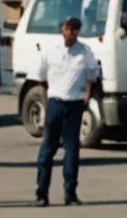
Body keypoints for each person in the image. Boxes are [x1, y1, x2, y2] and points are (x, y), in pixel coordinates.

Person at [31, 17, 101, 206]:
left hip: (74, 104)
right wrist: (53, 91)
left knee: (71, 150)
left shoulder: (84, 52)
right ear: (61, 30)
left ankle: (70, 193)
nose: (70, 33)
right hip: (55, 102)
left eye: (74, 30)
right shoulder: (51, 52)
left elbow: (93, 73)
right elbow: (40, 76)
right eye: (67, 29)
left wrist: (85, 91)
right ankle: (42, 192)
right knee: (48, 148)